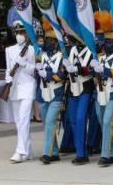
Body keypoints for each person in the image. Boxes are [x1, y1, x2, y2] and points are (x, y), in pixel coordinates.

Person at [91, 11, 113, 167]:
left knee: (106, 121)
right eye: (107, 41)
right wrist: (93, 68)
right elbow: (94, 73)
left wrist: (101, 70)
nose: (108, 44)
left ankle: (105, 156)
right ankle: (111, 153)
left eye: (111, 42)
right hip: (100, 92)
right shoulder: (101, 57)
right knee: (101, 121)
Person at [6, 20, 36, 163]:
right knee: (19, 122)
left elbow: (34, 70)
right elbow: (8, 68)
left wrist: (25, 64)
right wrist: (7, 77)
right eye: (17, 32)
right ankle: (28, 150)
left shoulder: (32, 49)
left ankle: (20, 151)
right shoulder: (9, 50)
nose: (19, 35)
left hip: (28, 87)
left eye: (22, 32)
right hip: (14, 88)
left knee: (24, 119)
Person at [36, 19, 66, 164]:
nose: (47, 42)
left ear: (55, 42)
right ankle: (54, 152)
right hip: (42, 93)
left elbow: (62, 76)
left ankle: (47, 154)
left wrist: (46, 75)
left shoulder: (61, 56)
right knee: (46, 124)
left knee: (50, 122)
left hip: (56, 93)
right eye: (46, 39)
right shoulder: (41, 55)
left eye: (50, 40)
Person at [62, 34, 95, 165]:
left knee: (81, 119)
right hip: (72, 88)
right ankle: (80, 150)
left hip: (85, 88)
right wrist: (64, 68)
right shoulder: (70, 50)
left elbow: (93, 69)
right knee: (73, 121)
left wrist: (79, 69)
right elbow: (62, 71)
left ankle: (81, 154)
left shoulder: (92, 50)